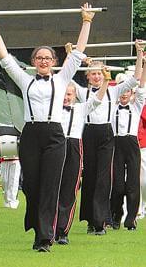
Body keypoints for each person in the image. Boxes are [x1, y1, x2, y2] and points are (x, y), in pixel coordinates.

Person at [0, 3, 93, 252]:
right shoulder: (25, 80)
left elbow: (77, 53)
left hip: (55, 135)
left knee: (50, 186)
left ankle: (45, 238)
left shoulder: (62, 79)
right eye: (39, 58)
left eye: (47, 58)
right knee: (32, 186)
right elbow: (5, 58)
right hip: (31, 134)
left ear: (54, 61)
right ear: (33, 61)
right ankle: (37, 224)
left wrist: (86, 21)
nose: (43, 61)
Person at [75, 57, 140, 235]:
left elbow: (135, 79)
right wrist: (74, 56)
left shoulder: (114, 90)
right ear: (87, 76)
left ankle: (100, 221)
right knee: (89, 176)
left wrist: (140, 54)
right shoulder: (82, 92)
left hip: (106, 134)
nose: (96, 77)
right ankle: (90, 219)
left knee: (104, 179)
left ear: (104, 75)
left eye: (99, 73)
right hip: (88, 134)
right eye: (93, 74)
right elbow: (66, 79)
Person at [56, 69, 109, 245]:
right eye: (63, 94)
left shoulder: (81, 108)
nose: (66, 98)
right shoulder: (52, 109)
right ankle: (48, 228)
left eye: (69, 94)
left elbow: (98, 99)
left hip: (74, 147)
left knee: (70, 189)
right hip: (55, 146)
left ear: (75, 95)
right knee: (51, 188)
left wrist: (106, 80)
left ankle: (63, 231)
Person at [110, 47, 146, 231]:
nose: (124, 93)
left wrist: (142, 58)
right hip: (115, 144)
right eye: (121, 90)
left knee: (133, 184)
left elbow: (141, 84)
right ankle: (115, 216)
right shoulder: (110, 106)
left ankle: (131, 219)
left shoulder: (137, 105)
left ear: (131, 92)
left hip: (131, 144)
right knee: (116, 184)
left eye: (127, 90)